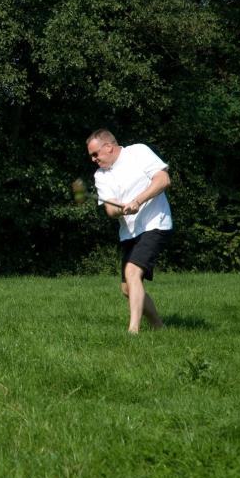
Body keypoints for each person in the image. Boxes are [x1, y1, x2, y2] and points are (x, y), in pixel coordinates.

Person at [86, 129, 173, 334]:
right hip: (129, 233)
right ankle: (159, 327)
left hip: (155, 223)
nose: (93, 159)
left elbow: (163, 180)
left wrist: (138, 201)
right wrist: (118, 208)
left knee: (132, 272)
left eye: (95, 154)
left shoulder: (138, 152)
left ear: (109, 146)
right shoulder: (101, 176)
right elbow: (111, 209)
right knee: (127, 288)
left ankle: (133, 331)